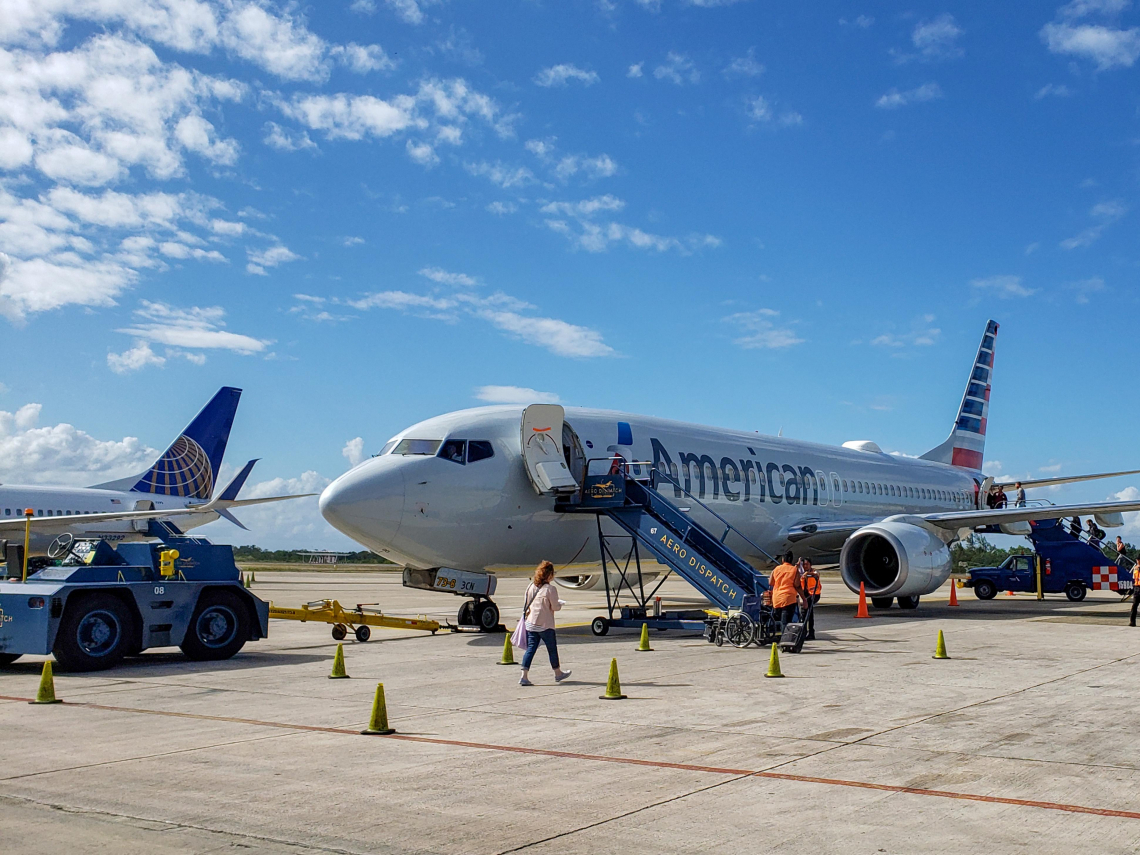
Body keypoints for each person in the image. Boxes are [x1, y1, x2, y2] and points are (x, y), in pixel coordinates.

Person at [519, 560, 571, 686]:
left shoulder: (531, 586)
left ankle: (524, 676)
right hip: (545, 625)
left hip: (531, 623)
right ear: (549, 575)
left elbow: (526, 602)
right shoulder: (550, 589)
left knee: (530, 649)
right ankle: (558, 673)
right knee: (552, 649)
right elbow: (555, 607)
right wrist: (560, 604)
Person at [769, 552, 801, 633]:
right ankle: (784, 638)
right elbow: (797, 584)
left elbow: (771, 582)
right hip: (788, 598)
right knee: (785, 622)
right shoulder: (794, 570)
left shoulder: (776, 569)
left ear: (783, 559)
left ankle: (777, 636)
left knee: (778, 620)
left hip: (777, 599)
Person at [798, 558, 821, 641]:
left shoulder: (814, 571)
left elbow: (817, 574)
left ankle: (807, 632)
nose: (805, 566)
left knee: (806, 612)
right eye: (804, 564)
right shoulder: (801, 573)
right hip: (806, 595)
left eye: (807, 564)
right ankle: (808, 632)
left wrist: (808, 573)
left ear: (810, 565)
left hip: (814, 594)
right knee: (808, 614)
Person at [1130, 562, 1140, 627]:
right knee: (1134, 605)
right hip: (1137, 588)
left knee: (1135, 605)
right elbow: (1134, 578)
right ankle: (1132, 622)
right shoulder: (1135, 568)